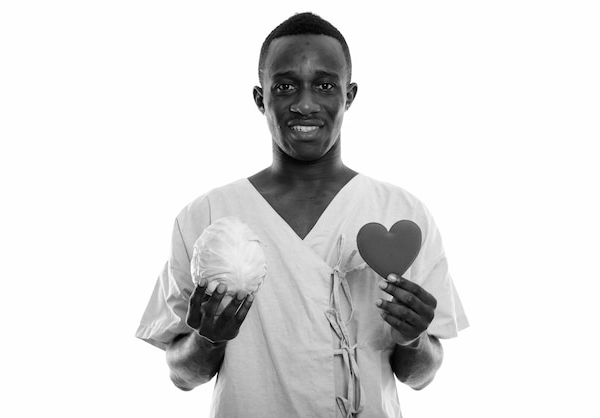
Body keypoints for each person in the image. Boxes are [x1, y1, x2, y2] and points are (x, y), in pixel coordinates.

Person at [136, 12, 468, 418]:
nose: (305, 103)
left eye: (325, 85)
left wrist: (414, 339)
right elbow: (182, 375)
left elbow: (420, 375)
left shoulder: (403, 213)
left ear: (349, 95)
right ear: (262, 99)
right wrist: (207, 339)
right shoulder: (205, 216)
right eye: (286, 86)